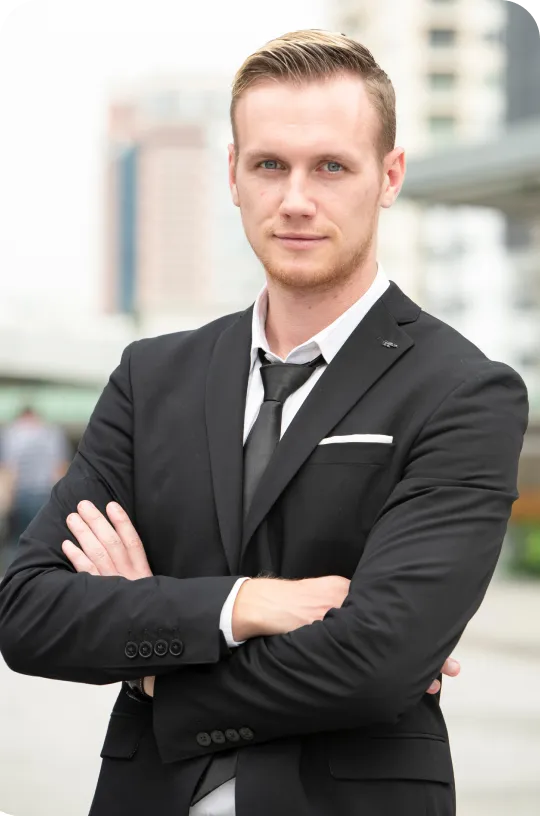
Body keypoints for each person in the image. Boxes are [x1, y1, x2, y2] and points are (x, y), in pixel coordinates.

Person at [0, 29, 528, 816]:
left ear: (389, 176)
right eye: (270, 165)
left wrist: (158, 665)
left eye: (331, 167)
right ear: (233, 175)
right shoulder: (152, 378)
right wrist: (243, 604)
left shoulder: (463, 392)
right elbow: (29, 614)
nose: (296, 200)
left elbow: (379, 662)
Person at [0, 407, 69, 571]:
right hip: (45, 494)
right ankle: (41, 573)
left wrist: (5, 501)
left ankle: (14, 575)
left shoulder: (11, 433)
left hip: (20, 495)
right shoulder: (51, 433)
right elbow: (59, 468)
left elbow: (9, 469)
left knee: (16, 540)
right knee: (44, 539)